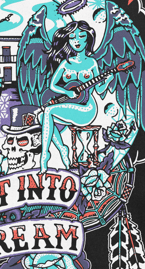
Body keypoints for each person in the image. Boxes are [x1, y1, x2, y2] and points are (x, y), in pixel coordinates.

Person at [40, 21, 100, 168]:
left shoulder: (92, 63)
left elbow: (100, 89)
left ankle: (44, 156)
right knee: (42, 116)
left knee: (48, 111)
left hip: (87, 108)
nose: (77, 41)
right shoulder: (66, 63)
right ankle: (62, 148)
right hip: (70, 105)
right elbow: (52, 85)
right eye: (72, 37)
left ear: (88, 38)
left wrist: (109, 78)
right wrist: (67, 92)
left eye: (81, 36)